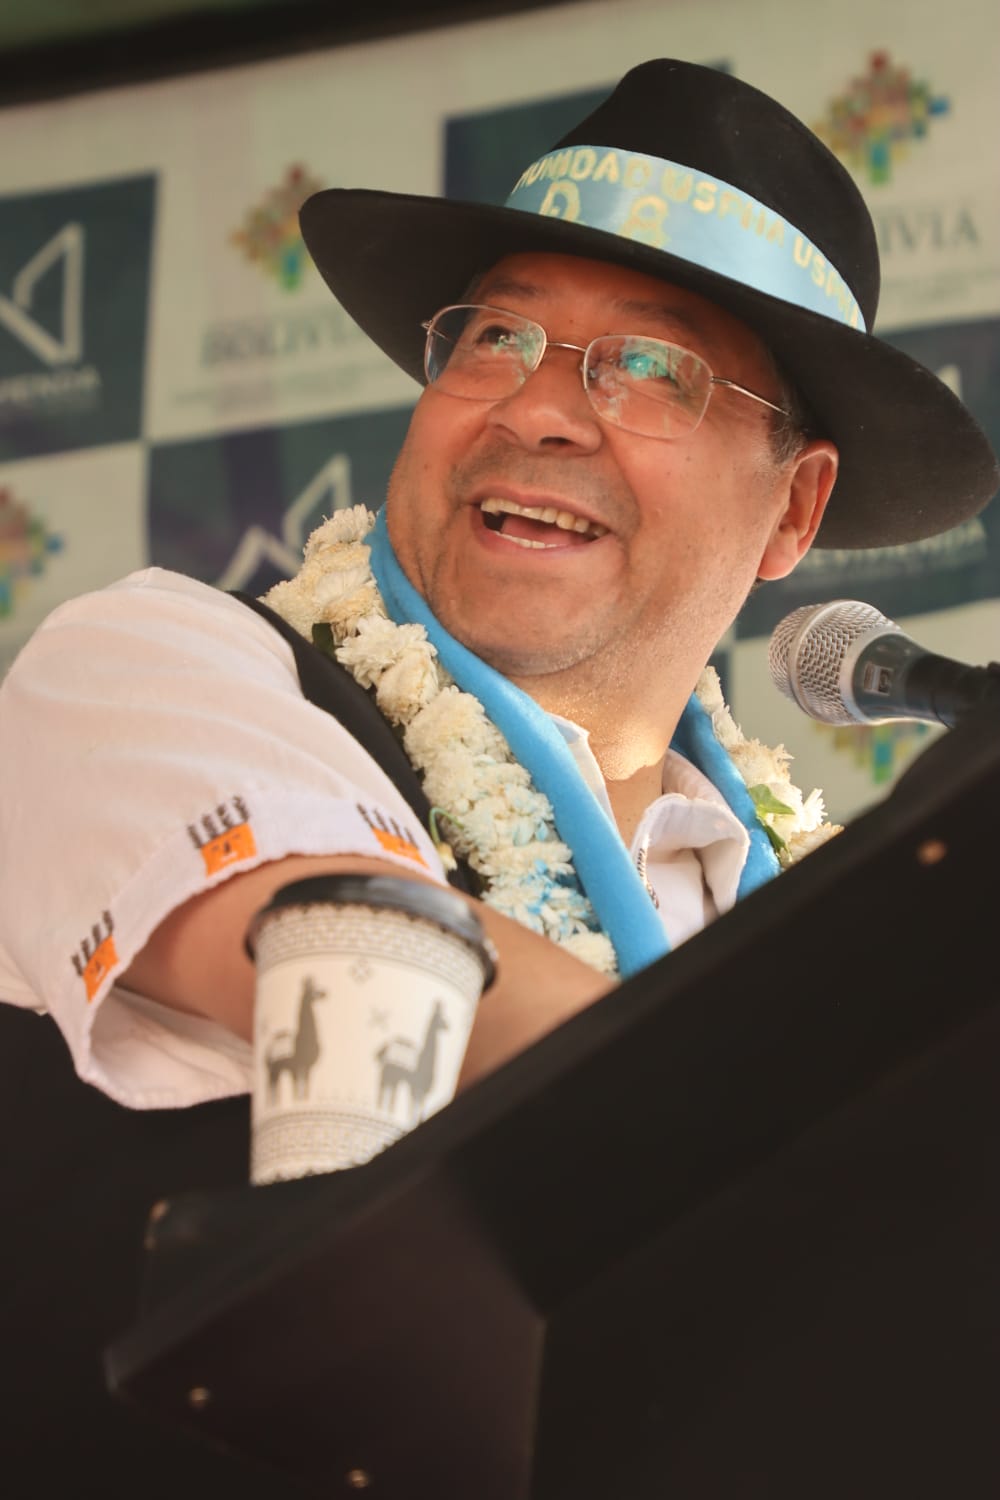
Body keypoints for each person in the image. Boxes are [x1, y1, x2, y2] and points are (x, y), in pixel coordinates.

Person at [1, 57, 997, 1116]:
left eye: (650, 367)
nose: (536, 409)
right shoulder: (152, 669)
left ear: (794, 507)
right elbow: (357, 967)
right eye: (497, 338)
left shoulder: (789, 916)